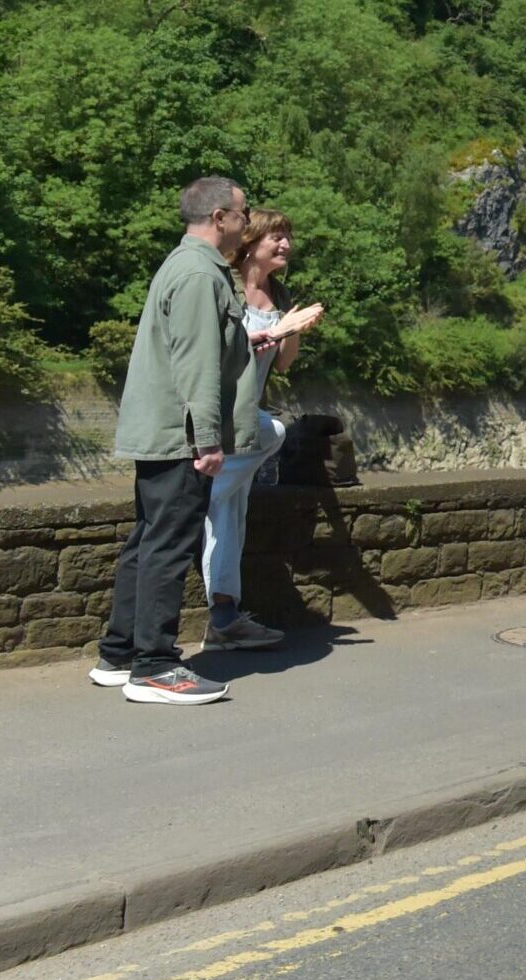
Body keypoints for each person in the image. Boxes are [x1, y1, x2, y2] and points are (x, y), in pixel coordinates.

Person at [95, 177, 259, 705]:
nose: (247, 222)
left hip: (163, 433)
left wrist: (244, 339)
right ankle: (156, 667)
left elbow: (200, 345)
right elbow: (195, 364)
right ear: (219, 218)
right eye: (243, 212)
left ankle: (120, 655)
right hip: (180, 437)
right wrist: (207, 440)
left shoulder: (187, 267)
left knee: (148, 544)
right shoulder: (197, 274)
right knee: (168, 546)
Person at [199, 207, 324, 653]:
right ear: (251, 242)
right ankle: (197, 498)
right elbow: (219, 358)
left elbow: (284, 364)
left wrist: (293, 329)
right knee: (273, 435)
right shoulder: (224, 288)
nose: (286, 244)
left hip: (246, 416)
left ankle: (225, 615)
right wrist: (281, 328)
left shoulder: (281, 294)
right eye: (277, 236)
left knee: (229, 512)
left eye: (288, 236)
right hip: (220, 415)